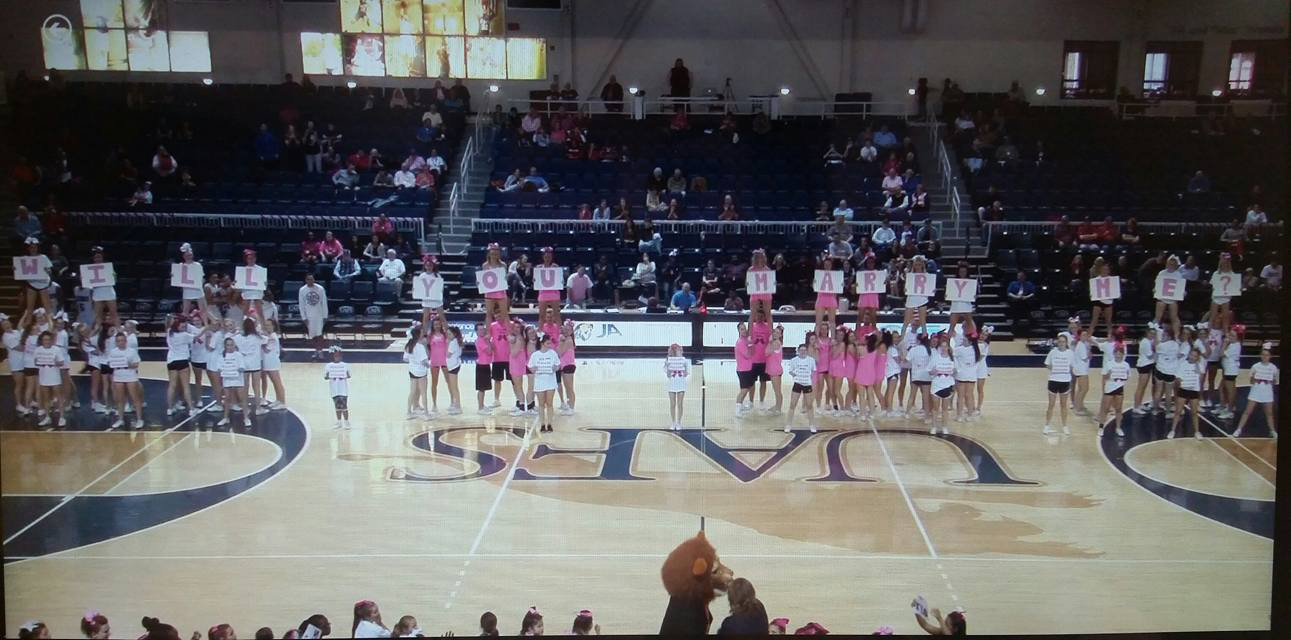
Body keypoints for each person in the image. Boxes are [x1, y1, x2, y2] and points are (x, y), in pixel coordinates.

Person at [1234, 343, 1278, 438]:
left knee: (1269, 413)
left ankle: (1272, 430)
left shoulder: (1273, 368)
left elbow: (1274, 381)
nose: (1264, 357)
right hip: (1256, 391)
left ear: (1270, 356)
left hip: (1267, 392)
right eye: (1263, 355)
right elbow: (1251, 380)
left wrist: (1271, 380)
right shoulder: (1255, 366)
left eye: (1266, 355)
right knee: (1247, 411)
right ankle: (1238, 429)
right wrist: (1255, 379)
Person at [164, 314, 202, 417]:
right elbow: (197, 336)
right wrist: (206, 328)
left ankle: (170, 408)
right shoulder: (184, 335)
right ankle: (191, 409)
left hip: (171, 361)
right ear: (177, 326)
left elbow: (168, 324)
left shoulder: (169, 333)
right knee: (186, 386)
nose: (184, 328)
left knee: (172, 385)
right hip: (182, 362)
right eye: (182, 326)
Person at [108, 330, 144, 429]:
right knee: (120, 399)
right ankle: (120, 419)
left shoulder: (131, 351)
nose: (121, 342)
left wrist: (128, 364)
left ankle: (139, 419)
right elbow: (110, 364)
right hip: (118, 376)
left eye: (122, 340)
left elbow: (136, 364)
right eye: (118, 341)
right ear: (116, 342)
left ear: (125, 341)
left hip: (130, 376)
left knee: (135, 398)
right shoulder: (113, 352)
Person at [1169, 347, 1207, 439]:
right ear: (1189, 355)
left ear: (1198, 357)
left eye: (1195, 356)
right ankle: (1172, 430)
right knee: (1178, 411)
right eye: (1191, 355)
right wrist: (1179, 382)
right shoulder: (1182, 364)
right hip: (1183, 390)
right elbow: (1177, 379)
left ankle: (1197, 432)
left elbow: (1201, 379)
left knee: (1194, 412)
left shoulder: (1200, 366)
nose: (1192, 357)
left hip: (1194, 391)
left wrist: (1197, 366)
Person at [1098, 341, 1132, 437]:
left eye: (1120, 354)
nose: (1118, 356)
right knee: (1105, 409)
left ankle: (1118, 427)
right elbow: (1104, 377)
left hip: (1119, 388)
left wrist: (1121, 380)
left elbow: (1128, 376)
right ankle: (1101, 427)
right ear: (1114, 354)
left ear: (1123, 354)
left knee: (1118, 409)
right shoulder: (1109, 364)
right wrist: (1109, 375)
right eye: (1116, 354)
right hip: (1109, 388)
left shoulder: (1126, 365)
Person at [529, 334, 561, 433]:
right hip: (540, 382)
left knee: (549, 403)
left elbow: (558, 365)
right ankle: (542, 424)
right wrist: (533, 369)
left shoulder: (553, 353)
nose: (550, 344)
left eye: (550, 343)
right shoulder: (535, 355)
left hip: (550, 382)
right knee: (541, 404)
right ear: (542, 343)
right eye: (548, 343)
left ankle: (550, 423)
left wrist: (556, 368)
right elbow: (530, 366)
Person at [1043, 333, 1074, 435]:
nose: (1061, 343)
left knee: (1063, 405)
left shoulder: (1070, 353)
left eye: (1063, 342)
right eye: (1059, 341)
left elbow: (1073, 366)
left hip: (1065, 381)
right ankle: (1047, 425)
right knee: (1051, 405)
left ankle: (1064, 426)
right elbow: (1047, 364)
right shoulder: (1053, 352)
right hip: (1053, 380)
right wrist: (1054, 368)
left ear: (1066, 343)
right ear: (1057, 342)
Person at [783, 343, 817, 433]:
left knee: (809, 405)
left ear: (807, 351)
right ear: (798, 351)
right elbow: (790, 371)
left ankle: (812, 425)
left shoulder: (811, 360)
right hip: (797, 384)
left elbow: (813, 371)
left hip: (807, 385)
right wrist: (795, 375)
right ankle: (788, 424)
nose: (803, 352)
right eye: (801, 350)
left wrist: (808, 378)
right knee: (792, 405)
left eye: (804, 350)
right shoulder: (794, 360)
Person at [928, 335, 956, 435]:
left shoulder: (953, 359)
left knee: (945, 408)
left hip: (948, 385)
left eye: (945, 346)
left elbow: (956, 372)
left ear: (948, 347)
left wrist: (954, 372)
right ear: (939, 347)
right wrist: (933, 372)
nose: (944, 348)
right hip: (936, 385)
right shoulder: (935, 358)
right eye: (942, 346)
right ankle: (934, 426)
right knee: (935, 408)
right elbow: (929, 371)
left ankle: (944, 426)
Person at [298, 274, 329, 361]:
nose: (310, 281)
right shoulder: (302, 290)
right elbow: (301, 304)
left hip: (319, 315)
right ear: (306, 280)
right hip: (309, 316)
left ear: (314, 279)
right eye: (308, 279)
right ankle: (316, 350)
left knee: (319, 335)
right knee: (312, 336)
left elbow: (324, 302)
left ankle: (321, 352)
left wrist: (325, 315)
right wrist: (303, 317)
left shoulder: (320, 289)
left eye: (312, 279)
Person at [404, 323, 430, 418]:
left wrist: (413, 361)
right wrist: (428, 366)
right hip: (421, 372)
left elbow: (405, 359)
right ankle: (426, 414)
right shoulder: (420, 346)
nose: (423, 333)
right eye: (422, 332)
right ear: (418, 334)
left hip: (412, 371)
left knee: (412, 391)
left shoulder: (409, 345)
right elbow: (424, 361)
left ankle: (409, 412)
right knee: (423, 392)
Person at [324, 346, 352, 429]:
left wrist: (344, 374)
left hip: (342, 389)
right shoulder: (328, 365)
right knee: (337, 406)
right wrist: (329, 375)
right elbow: (325, 377)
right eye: (335, 356)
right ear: (333, 357)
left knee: (344, 406)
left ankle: (347, 422)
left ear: (341, 356)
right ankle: (339, 422)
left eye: (338, 356)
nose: (337, 357)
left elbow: (349, 375)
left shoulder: (345, 365)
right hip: (334, 389)